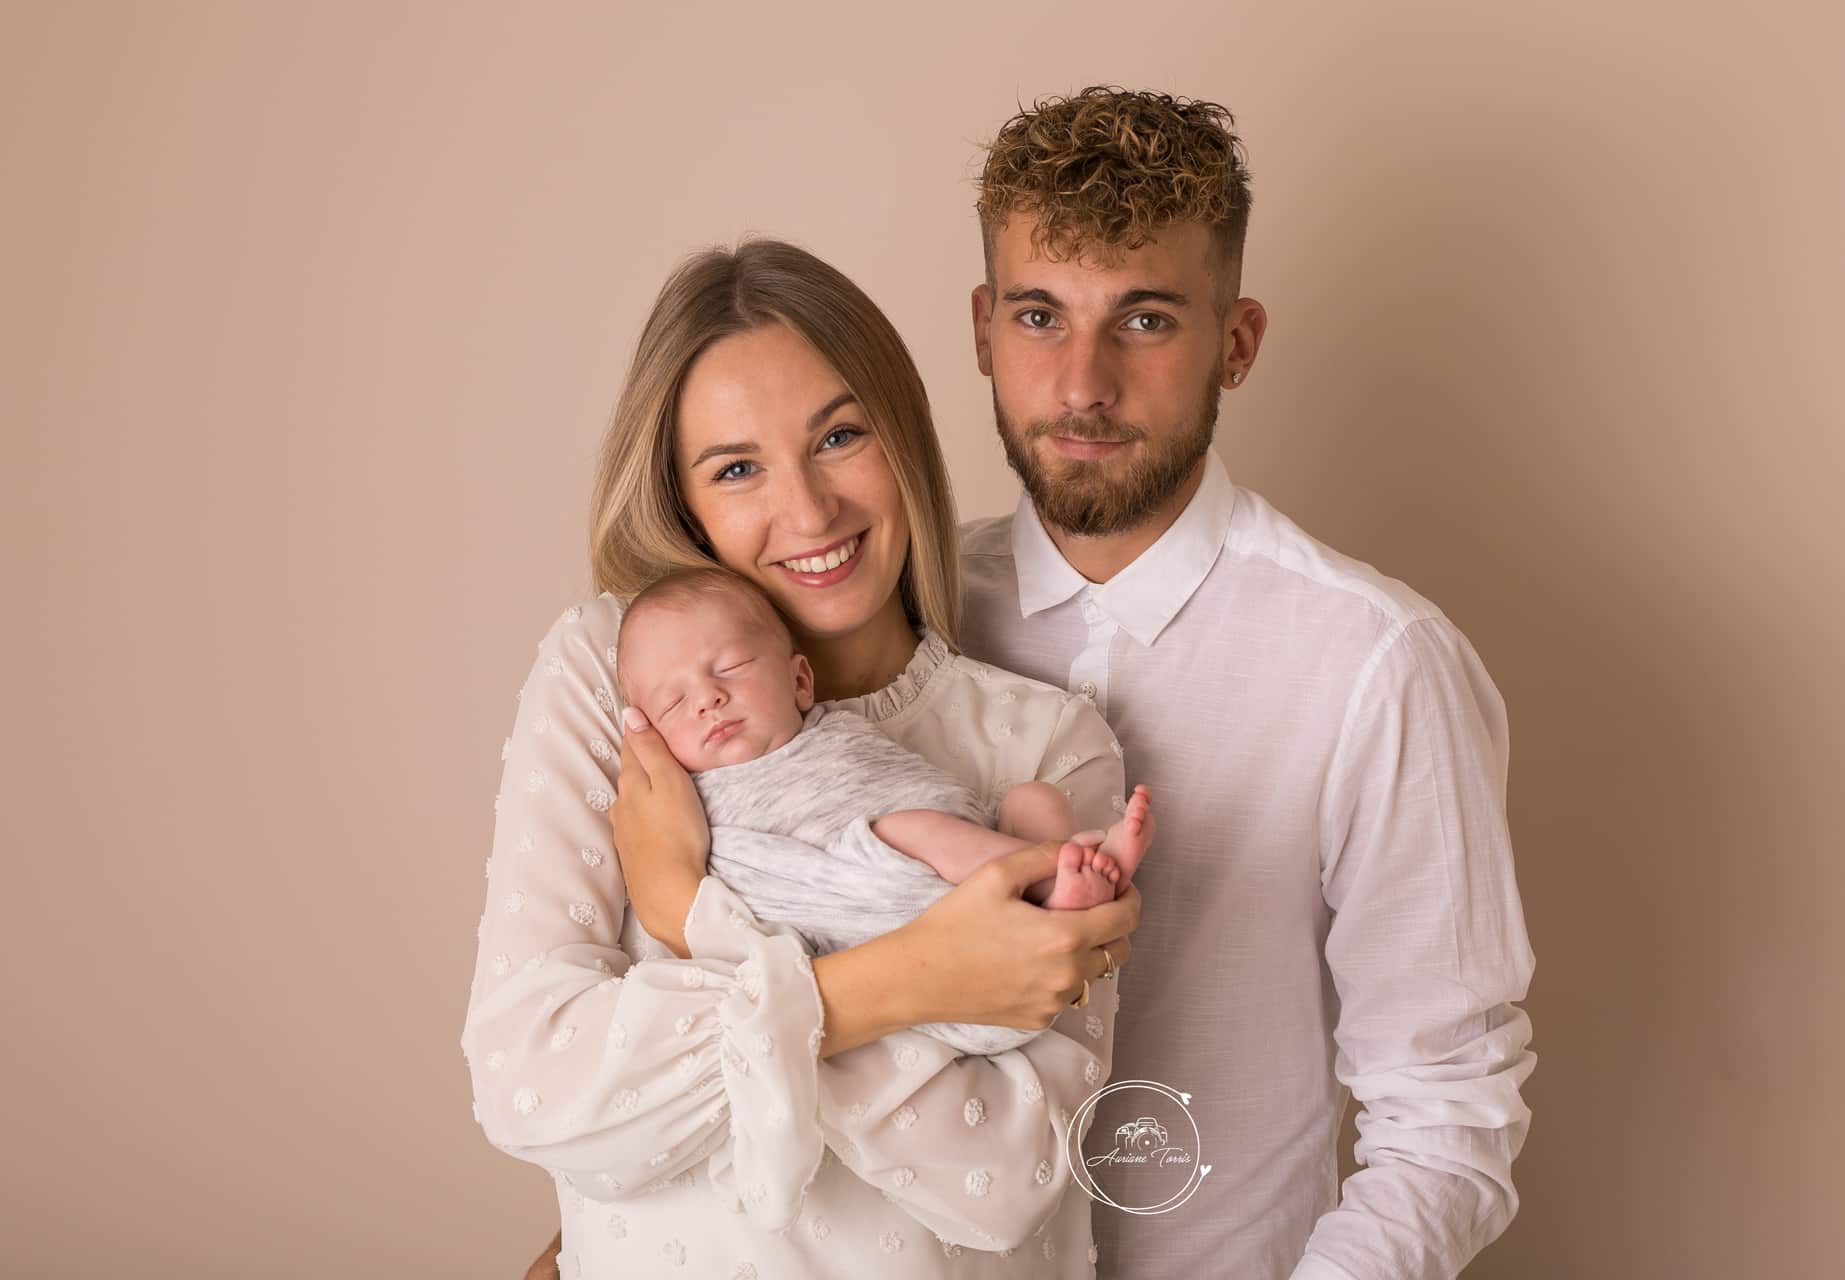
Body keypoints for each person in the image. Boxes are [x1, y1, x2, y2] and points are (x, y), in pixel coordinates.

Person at [465, 240, 1141, 1277]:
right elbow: (535, 1084)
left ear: (902, 436)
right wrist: (910, 980)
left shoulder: (1043, 744)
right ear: (687, 504)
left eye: (838, 437)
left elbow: (1010, 1178)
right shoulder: (618, 687)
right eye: (737, 467)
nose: (811, 510)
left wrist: (688, 915)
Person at [955, 87, 1538, 1277]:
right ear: (981, 329)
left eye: (1147, 320)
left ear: (1238, 341)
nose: (1081, 383)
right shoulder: (906, 615)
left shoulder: (1376, 661)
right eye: (1038, 315)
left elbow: (1449, 1121)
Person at [612, 565, 1155, 1056]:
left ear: (800, 681)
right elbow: (748, 882)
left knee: (1033, 799)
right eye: (675, 702)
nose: (707, 697)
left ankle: (1060, 899)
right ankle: (1051, 870)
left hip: (1009, 934)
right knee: (904, 827)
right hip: (889, 922)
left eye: (730, 667)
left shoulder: (835, 726)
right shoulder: (692, 797)